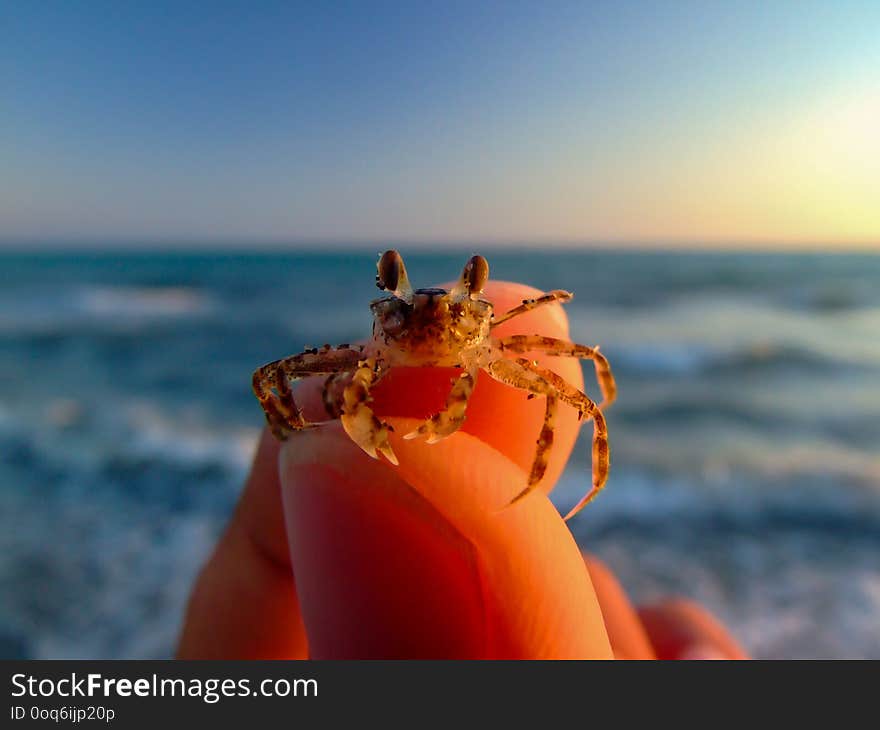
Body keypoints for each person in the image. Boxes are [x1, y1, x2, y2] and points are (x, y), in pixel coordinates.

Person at [177, 281, 747, 660]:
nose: (428, 323)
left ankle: (534, 487)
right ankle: (305, 447)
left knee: (576, 399)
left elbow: (586, 372)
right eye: (403, 314)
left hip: (471, 358)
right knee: (282, 379)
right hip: (380, 376)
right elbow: (269, 382)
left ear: (477, 316)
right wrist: (289, 431)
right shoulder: (367, 355)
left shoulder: (493, 340)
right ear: (384, 313)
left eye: (451, 315)